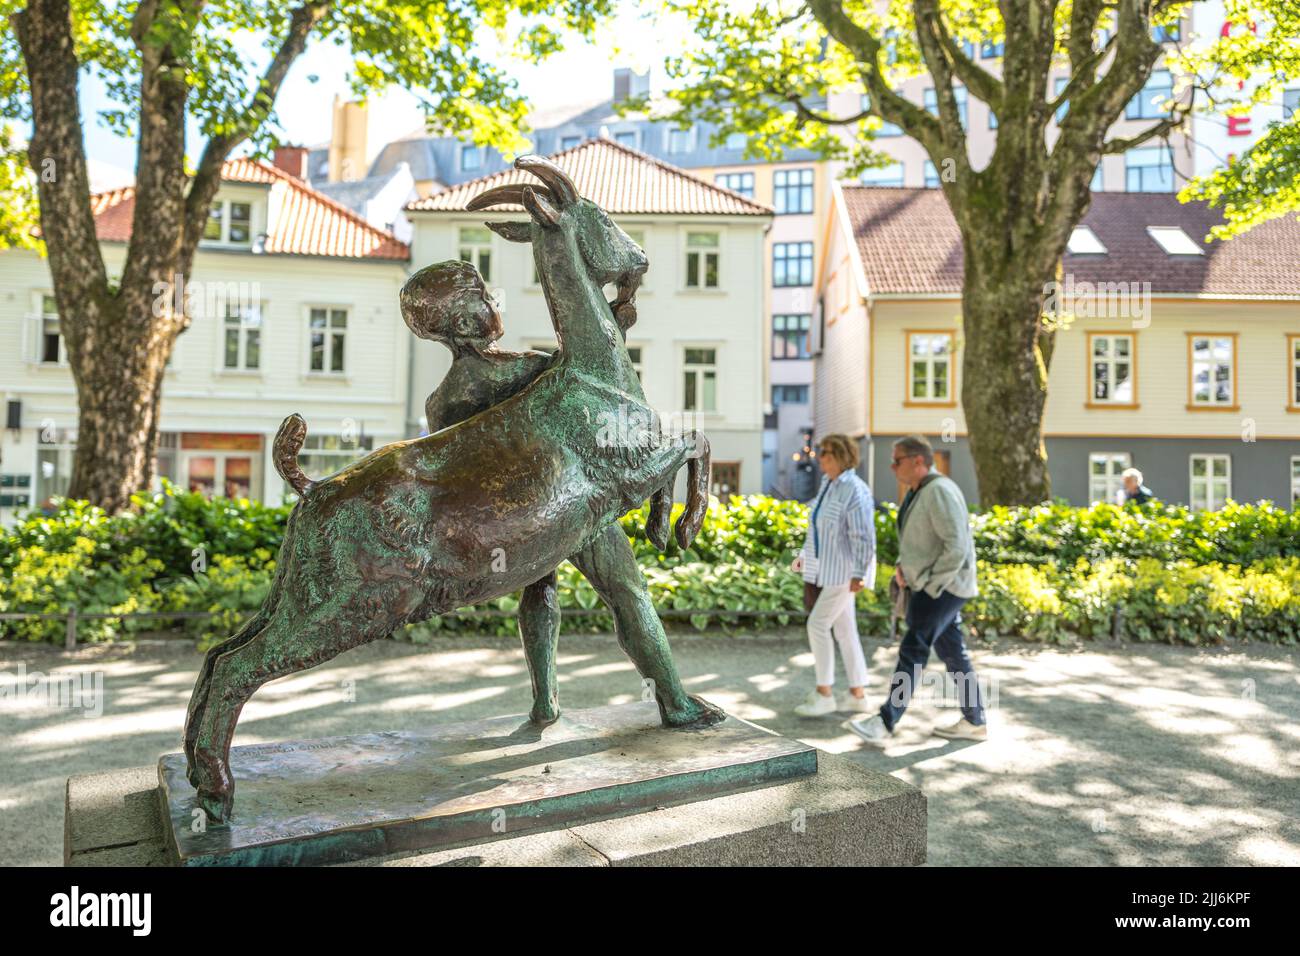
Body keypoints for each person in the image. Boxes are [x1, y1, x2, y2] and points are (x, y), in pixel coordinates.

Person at [850, 435, 987, 743]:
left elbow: (957, 547)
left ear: (918, 461)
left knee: (913, 649)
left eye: (897, 460)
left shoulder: (938, 491)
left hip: (942, 587)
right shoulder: (921, 490)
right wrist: (904, 567)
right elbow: (923, 542)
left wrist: (927, 582)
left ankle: (885, 722)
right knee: (953, 653)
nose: (892, 466)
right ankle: (975, 721)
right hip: (939, 584)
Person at [791, 434, 876, 717]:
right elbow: (815, 527)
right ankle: (857, 695)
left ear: (841, 456)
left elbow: (863, 536)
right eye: (820, 452)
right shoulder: (829, 484)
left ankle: (824, 693)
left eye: (825, 452)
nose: (820, 457)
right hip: (828, 570)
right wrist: (804, 557)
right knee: (845, 631)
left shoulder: (854, 488)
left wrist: (860, 573)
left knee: (817, 625)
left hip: (844, 572)